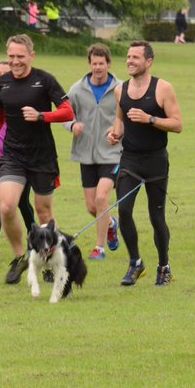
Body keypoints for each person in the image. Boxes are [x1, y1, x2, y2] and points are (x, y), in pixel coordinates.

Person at [0, 35, 75, 285]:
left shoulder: (44, 80)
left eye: (20, 56)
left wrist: (41, 116)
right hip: (13, 154)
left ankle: (50, 260)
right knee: (6, 206)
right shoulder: (0, 83)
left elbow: (68, 111)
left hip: (42, 156)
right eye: (11, 57)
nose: (15, 61)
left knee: (43, 211)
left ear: (31, 56)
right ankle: (20, 257)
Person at [104, 41, 181, 286]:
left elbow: (177, 124)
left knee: (156, 217)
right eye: (128, 57)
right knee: (124, 210)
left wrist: (150, 119)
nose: (129, 61)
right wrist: (114, 133)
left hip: (156, 160)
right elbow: (120, 120)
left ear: (148, 62)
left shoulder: (163, 88)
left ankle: (164, 265)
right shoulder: (120, 90)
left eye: (135, 57)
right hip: (130, 159)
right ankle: (135, 262)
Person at [67, 44, 123, 259]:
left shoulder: (120, 88)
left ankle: (99, 249)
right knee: (92, 206)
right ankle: (111, 223)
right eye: (94, 63)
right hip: (86, 153)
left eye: (102, 63)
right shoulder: (77, 90)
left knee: (101, 199)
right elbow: (65, 114)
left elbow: (128, 116)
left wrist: (118, 129)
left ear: (108, 64)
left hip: (113, 152)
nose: (98, 67)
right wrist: (73, 125)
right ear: (89, 64)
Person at [0, 60, 34, 260]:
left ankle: (34, 235)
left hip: (20, 154)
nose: (3, 78)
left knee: (21, 202)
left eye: (7, 73)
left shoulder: (21, 98)